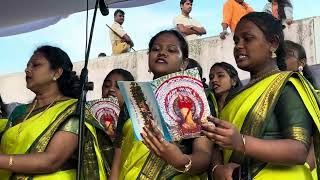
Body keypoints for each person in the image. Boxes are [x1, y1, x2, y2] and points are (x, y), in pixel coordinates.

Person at [202, 12, 320, 179]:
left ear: (272, 44)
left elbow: (299, 150)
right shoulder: (237, 96)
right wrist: (216, 169)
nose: (238, 46)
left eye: (247, 39)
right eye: (236, 41)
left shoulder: (286, 85)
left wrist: (241, 142)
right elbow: (219, 147)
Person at [0, 45, 107, 179]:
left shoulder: (72, 110)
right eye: (27, 65)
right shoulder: (19, 112)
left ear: (56, 73)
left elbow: (51, 160)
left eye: (36, 65)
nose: (27, 70)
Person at [117, 30, 212, 179]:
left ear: (184, 63)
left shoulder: (196, 96)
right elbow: (119, 155)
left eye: (171, 50)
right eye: (156, 49)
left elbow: (204, 155)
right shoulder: (133, 96)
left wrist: (181, 161)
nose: (162, 53)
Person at [102, 69, 135, 180]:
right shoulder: (91, 119)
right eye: (107, 85)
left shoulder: (134, 123)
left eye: (119, 87)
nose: (111, 89)